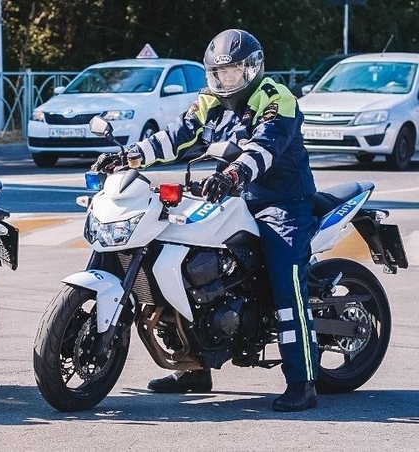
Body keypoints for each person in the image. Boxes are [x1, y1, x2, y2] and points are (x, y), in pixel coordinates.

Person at [93, 29, 319, 412]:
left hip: (280, 202)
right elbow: (176, 135)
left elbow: (264, 148)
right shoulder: (208, 101)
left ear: (252, 69)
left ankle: (303, 380)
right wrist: (129, 156)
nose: (225, 80)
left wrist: (232, 175)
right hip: (225, 196)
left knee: (286, 280)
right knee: (176, 259)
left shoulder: (276, 98)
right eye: (218, 73)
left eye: (232, 72)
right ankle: (193, 368)